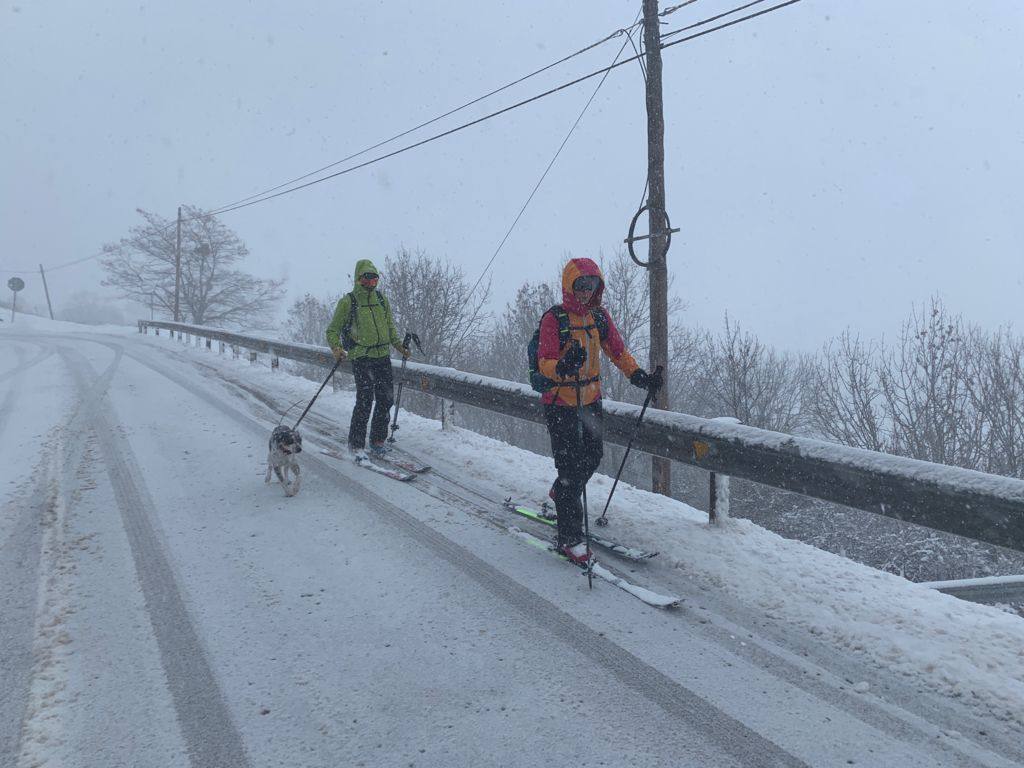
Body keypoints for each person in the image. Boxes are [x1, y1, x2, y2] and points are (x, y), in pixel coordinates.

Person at [536, 257, 661, 565]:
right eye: (580, 285)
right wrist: (562, 366)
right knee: (569, 469)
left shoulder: (599, 317)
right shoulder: (555, 319)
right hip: (561, 403)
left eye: (591, 286)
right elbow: (545, 361)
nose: (585, 292)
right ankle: (570, 538)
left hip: (590, 400)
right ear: (569, 285)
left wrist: (637, 375)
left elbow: (617, 350)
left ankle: (561, 494)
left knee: (593, 456)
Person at [326, 259, 409, 456]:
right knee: (365, 400)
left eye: (374, 279)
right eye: (367, 279)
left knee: (385, 399)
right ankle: (356, 445)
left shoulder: (381, 300)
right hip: (361, 357)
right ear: (358, 279)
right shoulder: (348, 302)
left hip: (382, 357)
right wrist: (336, 348)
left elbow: (389, 326)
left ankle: (377, 440)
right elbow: (332, 330)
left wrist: (398, 345)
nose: (371, 283)